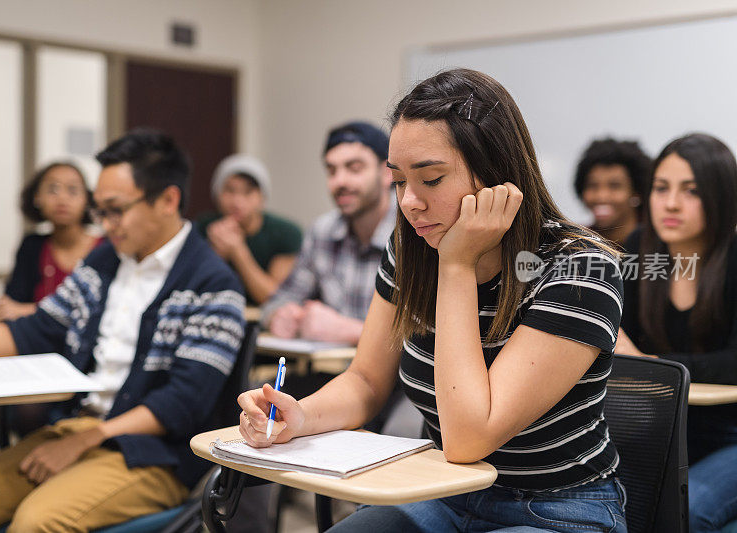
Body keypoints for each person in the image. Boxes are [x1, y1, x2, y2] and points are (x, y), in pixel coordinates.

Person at [238, 69, 627, 532]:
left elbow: (468, 437)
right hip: (442, 491)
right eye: (400, 181)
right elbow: (365, 380)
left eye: (431, 179)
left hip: (552, 507)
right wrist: (301, 416)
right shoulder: (411, 249)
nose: (409, 203)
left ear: (496, 175)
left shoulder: (580, 267)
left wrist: (457, 266)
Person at [0, 130, 246, 532]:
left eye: (115, 210)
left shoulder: (213, 284)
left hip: (153, 455)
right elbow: (33, 331)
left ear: (168, 200)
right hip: (77, 427)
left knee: (36, 523)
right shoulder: (105, 259)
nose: (105, 225)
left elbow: (182, 403)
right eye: (99, 211)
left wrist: (88, 439)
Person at [616, 133, 737, 533]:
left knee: (692, 511)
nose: (670, 203)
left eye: (691, 191)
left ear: (720, 196)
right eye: (661, 188)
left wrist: (657, 367)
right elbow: (617, 340)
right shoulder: (640, 249)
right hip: (658, 428)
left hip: (729, 432)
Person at [262, 121, 396, 345]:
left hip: (398, 378)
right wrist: (280, 317)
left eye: (354, 168)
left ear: (386, 174)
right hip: (333, 374)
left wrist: (351, 331)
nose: (339, 181)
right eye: (331, 170)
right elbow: (279, 301)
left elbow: (429, 339)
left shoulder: (414, 230)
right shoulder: (322, 231)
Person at [0, 162, 103, 322]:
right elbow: (11, 303)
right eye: (53, 189)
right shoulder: (32, 245)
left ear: (87, 199)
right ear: (37, 197)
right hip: (38, 345)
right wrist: (3, 310)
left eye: (72, 190)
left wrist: (29, 310)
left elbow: (97, 313)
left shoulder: (105, 248)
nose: (62, 198)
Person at [195, 154, 302, 305]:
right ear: (217, 194)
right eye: (230, 191)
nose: (238, 201)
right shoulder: (203, 228)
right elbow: (193, 291)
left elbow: (275, 298)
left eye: (248, 192)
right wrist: (215, 253)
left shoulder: (286, 233)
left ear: (262, 197)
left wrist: (238, 251)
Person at [573, 138, 651, 246]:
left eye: (614, 186)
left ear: (636, 192)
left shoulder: (659, 243)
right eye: (593, 185)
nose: (602, 196)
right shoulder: (574, 244)